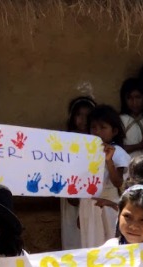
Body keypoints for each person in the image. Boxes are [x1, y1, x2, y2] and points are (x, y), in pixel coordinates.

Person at [79, 105, 130, 248]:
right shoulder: (86, 153)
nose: (97, 132)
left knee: (109, 245)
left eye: (102, 127)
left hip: (108, 207)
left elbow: (118, 182)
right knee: (90, 245)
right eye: (93, 127)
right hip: (88, 206)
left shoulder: (118, 152)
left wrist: (109, 161)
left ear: (114, 131)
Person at [61, 96, 96, 251]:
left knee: (91, 233)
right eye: (79, 115)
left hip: (90, 192)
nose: (83, 120)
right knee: (73, 234)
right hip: (70, 191)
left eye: (88, 116)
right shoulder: (64, 140)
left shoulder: (97, 141)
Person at [119, 78, 143, 159]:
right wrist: (139, 146)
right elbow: (115, 148)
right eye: (129, 98)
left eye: (138, 97)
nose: (134, 102)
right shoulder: (120, 120)